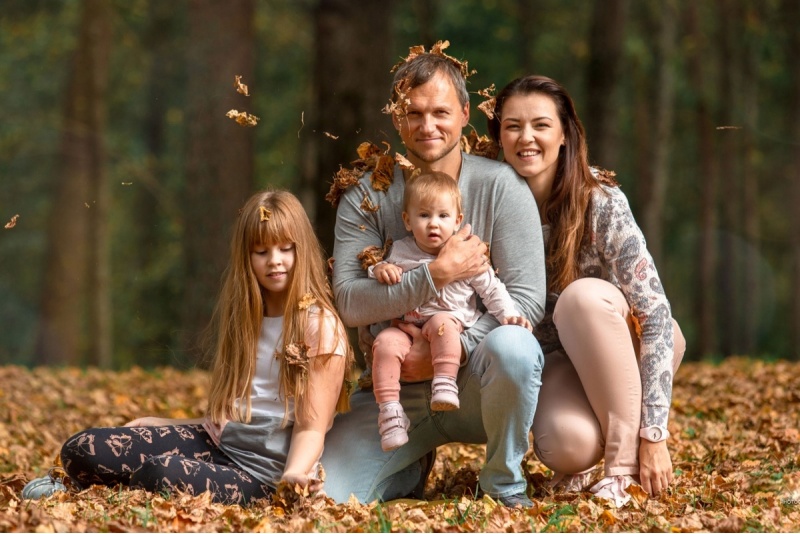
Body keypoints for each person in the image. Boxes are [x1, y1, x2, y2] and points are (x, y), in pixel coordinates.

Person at [319, 45, 546, 508]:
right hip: (392, 388)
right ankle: (408, 464)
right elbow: (349, 300)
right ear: (396, 118)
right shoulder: (366, 195)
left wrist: (454, 346)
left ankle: (503, 481)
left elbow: (525, 300)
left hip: (476, 383)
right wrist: (437, 275)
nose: (427, 126)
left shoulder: (502, 187)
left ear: (465, 113)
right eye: (413, 113)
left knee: (515, 346)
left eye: (440, 112)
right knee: (329, 493)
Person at [49, 190, 353, 505]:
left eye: (285, 248)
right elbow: (237, 415)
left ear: (300, 250)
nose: (275, 260)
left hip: (264, 473)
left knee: (160, 474)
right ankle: (74, 489)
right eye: (261, 251)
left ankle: (81, 494)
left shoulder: (320, 327)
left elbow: (311, 427)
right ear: (246, 257)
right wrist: (166, 425)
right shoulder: (246, 317)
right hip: (218, 444)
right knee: (82, 449)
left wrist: (294, 477)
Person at [486, 75, 686, 506]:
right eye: (512, 126)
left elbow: (654, 315)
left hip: (626, 340)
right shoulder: (488, 205)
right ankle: (596, 456)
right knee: (566, 445)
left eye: (540, 125)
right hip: (562, 360)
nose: (526, 138)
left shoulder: (601, 200)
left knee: (579, 299)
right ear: (498, 136)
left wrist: (654, 432)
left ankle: (621, 468)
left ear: (564, 135)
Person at [369, 171, 532, 451]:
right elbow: (376, 279)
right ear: (407, 221)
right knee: (384, 343)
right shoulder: (401, 251)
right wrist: (381, 269)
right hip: (407, 328)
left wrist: (508, 315)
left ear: (458, 221)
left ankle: (444, 383)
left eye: (443, 216)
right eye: (424, 216)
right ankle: (390, 412)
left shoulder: (467, 254)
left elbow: (491, 288)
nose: (434, 224)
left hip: (449, 326)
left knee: (442, 323)